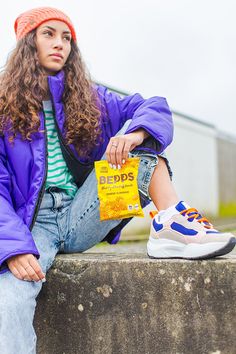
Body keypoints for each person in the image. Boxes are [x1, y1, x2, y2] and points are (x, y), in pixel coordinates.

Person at [0, 6, 235, 353]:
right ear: (26, 43)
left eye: (66, 38)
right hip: (33, 226)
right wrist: (13, 248)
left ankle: (169, 224)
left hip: (83, 210)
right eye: (48, 34)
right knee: (10, 301)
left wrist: (136, 133)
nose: (60, 44)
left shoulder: (89, 98)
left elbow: (153, 105)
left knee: (143, 156)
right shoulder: (5, 108)